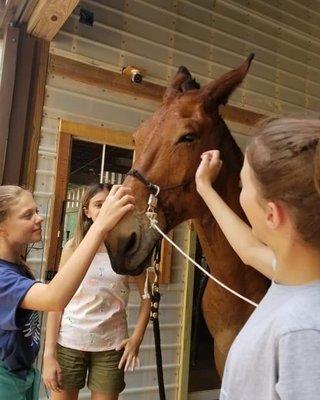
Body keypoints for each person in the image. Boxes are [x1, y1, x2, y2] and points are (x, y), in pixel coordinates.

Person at [195, 117, 320, 400]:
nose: (241, 195)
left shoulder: (304, 332)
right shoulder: (297, 277)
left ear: (272, 215)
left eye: (243, 186)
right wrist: (204, 187)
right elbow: (249, 251)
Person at [0, 184, 134, 400]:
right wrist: (99, 228)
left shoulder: (18, 266)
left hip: (21, 374)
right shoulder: (2, 276)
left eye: (36, 210)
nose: (39, 218)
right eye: (28, 215)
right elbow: (54, 299)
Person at [42, 183, 151, 400]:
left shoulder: (130, 250)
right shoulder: (73, 247)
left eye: (108, 204)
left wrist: (136, 338)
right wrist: (49, 355)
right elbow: (56, 302)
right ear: (87, 211)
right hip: (70, 342)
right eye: (98, 204)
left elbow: (148, 296)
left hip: (112, 346)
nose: (103, 210)